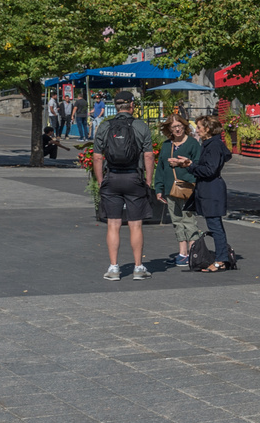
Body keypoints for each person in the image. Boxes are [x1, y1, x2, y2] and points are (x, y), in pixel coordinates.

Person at [94, 91, 157, 281]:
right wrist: (148, 180)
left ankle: (113, 268)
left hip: (112, 177)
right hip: (133, 177)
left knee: (113, 224)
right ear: (131, 105)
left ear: (115, 105)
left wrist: (100, 181)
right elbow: (148, 155)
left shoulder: (105, 126)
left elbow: (97, 157)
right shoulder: (140, 126)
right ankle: (138, 267)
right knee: (135, 224)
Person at [153, 114, 201, 268]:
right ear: (169, 129)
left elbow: (199, 165)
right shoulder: (167, 145)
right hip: (170, 188)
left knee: (189, 219)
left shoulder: (193, 144)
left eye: (179, 125)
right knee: (176, 220)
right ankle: (182, 253)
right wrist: (158, 188)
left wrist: (183, 163)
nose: (178, 129)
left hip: (188, 187)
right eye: (174, 127)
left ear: (184, 126)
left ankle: (194, 251)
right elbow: (160, 168)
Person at [189, 115, 236, 271]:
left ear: (208, 129)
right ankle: (221, 258)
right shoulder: (210, 144)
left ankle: (221, 260)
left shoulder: (214, 145)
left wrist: (190, 166)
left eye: (199, 127)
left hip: (212, 190)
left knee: (215, 225)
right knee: (214, 224)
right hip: (209, 189)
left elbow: (210, 169)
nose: (197, 130)